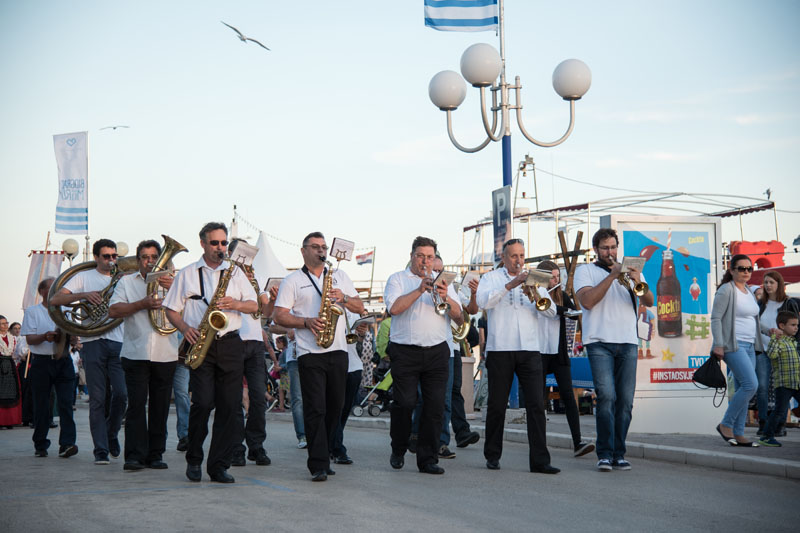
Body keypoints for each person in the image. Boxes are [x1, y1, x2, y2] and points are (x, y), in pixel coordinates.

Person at [163, 222, 258, 484]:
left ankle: (218, 466)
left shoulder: (235, 272)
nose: (220, 247)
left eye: (224, 243)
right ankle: (194, 458)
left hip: (230, 343)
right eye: (214, 243)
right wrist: (185, 328)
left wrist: (235, 303)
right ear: (203, 244)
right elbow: (170, 308)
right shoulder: (187, 274)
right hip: (200, 343)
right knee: (203, 403)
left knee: (229, 407)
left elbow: (254, 305)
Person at [272, 232, 365, 482]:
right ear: (303, 251)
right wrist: (306, 322)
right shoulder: (292, 280)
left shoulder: (340, 277)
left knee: (336, 406)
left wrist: (344, 298)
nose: (321, 250)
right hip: (309, 352)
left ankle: (327, 450)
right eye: (315, 247)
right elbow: (279, 315)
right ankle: (318, 463)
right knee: (316, 408)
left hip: (338, 350)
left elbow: (360, 307)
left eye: (323, 246)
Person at [476, 238, 559, 474]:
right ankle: (492, 455)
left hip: (530, 348)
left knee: (536, 405)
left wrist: (536, 295)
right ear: (503, 258)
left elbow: (551, 312)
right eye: (513, 256)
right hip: (500, 348)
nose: (518, 260)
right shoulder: (491, 278)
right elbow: (483, 302)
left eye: (522, 255)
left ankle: (540, 461)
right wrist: (510, 285)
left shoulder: (534, 279)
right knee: (497, 405)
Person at [574, 228, 654, 471]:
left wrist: (637, 279)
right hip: (599, 341)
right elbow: (587, 301)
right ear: (596, 250)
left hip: (628, 341)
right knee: (607, 396)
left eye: (613, 247)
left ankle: (619, 453)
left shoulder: (630, 270)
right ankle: (605, 453)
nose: (610, 252)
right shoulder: (586, 271)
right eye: (605, 248)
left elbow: (649, 300)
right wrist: (612, 276)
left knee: (626, 401)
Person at [384, 236, 463, 475]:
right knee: (405, 403)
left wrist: (445, 296)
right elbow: (394, 309)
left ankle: (427, 459)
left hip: (437, 351)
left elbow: (459, 317)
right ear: (412, 256)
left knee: (435, 406)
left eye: (429, 257)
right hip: (405, 350)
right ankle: (398, 448)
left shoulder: (444, 281)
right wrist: (420, 289)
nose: (425, 261)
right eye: (420, 256)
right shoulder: (397, 279)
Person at [49, 238, 127, 465]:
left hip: (119, 341)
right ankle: (100, 449)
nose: (111, 260)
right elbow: (55, 298)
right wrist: (82, 295)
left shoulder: (122, 278)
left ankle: (111, 433)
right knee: (98, 399)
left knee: (122, 395)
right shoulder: (83, 277)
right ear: (96, 257)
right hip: (93, 341)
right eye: (106, 256)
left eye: (114, 256)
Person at [108, 239, 179, 471]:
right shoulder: (127, 282)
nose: (150, 261)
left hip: (166, 353)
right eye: (145, 257)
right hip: (135, 352)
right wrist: (142, 304)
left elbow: (190, 311)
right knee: (136, 406)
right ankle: (134, 456)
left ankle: (156, 454)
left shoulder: (175, 283)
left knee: (160, 407)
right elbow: (113, 310)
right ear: (138, 260)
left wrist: (175, 290)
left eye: (154, 257)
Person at [536, 260, 595, 458]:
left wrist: (567, 308)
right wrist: (561, 311)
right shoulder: (535, 294)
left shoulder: (562, 295)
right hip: (539, 351)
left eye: (557, 276)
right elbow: (547, 311)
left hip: (558, 351)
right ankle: (539, 444)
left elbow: (574, 314)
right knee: (539, 399)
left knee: (568, 395)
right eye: (552, 277)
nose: (556, 280)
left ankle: (578, 441)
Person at [20, 279, 78, 458]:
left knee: (66, 404)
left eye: (59, 286)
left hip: (64, 361)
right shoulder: (33, 311)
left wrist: (73, 337)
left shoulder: (66, 310)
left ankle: (67, 444)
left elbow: (75, 336)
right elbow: (30, 339)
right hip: (42, 362)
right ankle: (40, 444)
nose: (57, 289)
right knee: (42, 405)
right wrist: (45, 337)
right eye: (53, 287)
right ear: (43, 291)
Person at [710, 253, 763, 447]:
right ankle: (726, 424)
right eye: (741, 268)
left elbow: (753, 319)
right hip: (733, 344)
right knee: (751, 385)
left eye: (749, 268)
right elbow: (716, 318)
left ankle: (739, 433)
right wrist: (718, 343)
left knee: (743, 388)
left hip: (750, 345)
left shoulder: (748, 290)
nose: (746, 272)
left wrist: (769, 330)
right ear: (732, 270)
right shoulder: (727, 290)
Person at [230, 239, 273, 468]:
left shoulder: (256, 279)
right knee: (234, 398)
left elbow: (267, 312)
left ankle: (256, 445)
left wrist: (272, 298)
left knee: (258, 397)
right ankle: (236, 447)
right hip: (233, 340)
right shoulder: (225, 277)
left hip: (255, 343)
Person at [757, 270, 799, 435]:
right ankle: (763, 422)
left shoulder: (788, 303)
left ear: (779, 284)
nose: (768, 285)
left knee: (783, 388)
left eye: (771, 282)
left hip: (783, 352)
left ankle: (780, 425)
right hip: (763, 350)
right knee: (762, 386)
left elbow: (795, 327)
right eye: (766, 282)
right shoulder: (760, 304)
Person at [329, 311, 367, 465]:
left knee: (345, 410)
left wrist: (362, 334)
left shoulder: (354, 312)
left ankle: (332, 442)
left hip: (354, 366)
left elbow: (359, 343)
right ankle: (337, 448)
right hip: (334, 365)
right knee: (335, 409)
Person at [758, 311, 800, 447]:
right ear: (782, 326)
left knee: (780, 411)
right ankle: (766, 436)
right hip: (784, 384)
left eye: (797, 325)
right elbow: (771, 355)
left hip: (796, 382)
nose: (796, 328)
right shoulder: (778, 342)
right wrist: (775, 339)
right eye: (793, 325)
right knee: (779, 411)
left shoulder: (793, 342)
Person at [0, 315, 22, 428]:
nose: (5, 325)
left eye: (6, 323)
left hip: (10, 366)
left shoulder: (12, 338)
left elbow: (17, 353)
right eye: (2, 324)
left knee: (12, 392)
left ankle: (10, 420)